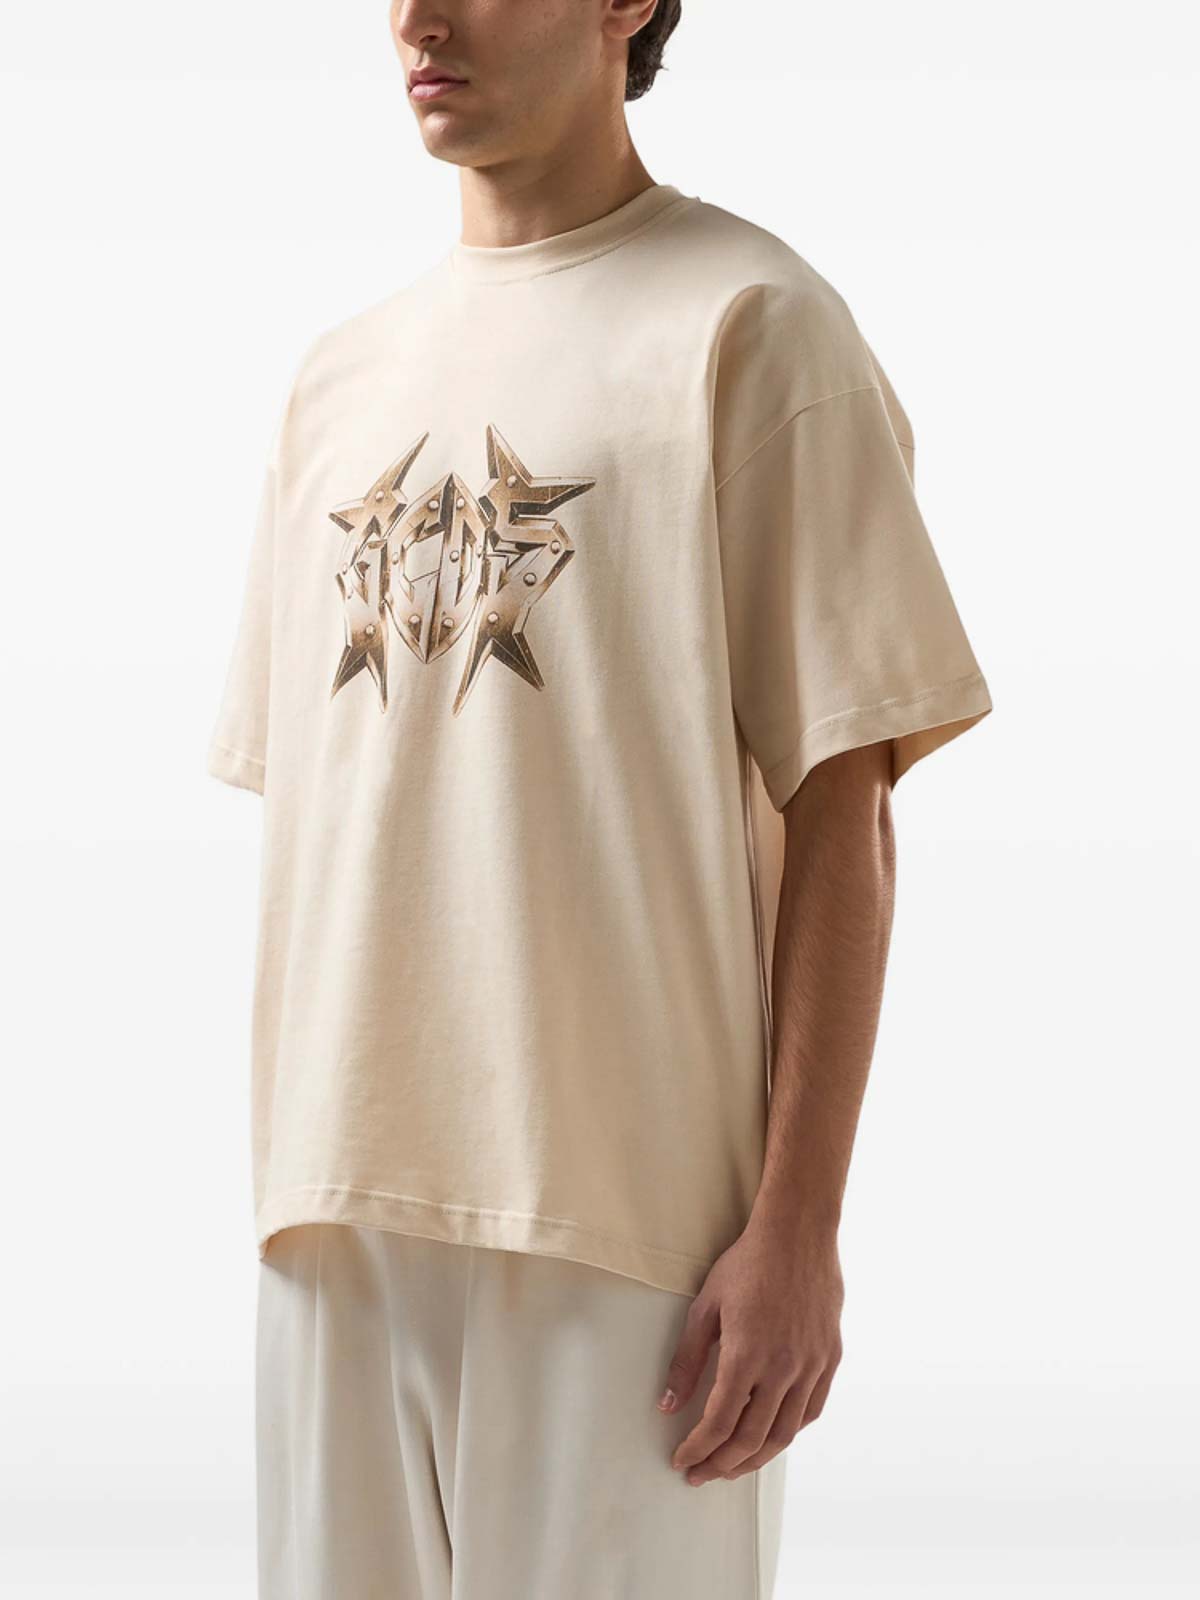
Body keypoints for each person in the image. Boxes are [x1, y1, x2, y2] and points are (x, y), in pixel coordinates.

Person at [206, 0, 993, 1594]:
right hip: (333, 1213)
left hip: (629, 1236)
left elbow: (847, 812)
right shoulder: (334, 381)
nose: (417, 19)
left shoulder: (751, 327)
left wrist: (799, 1230)